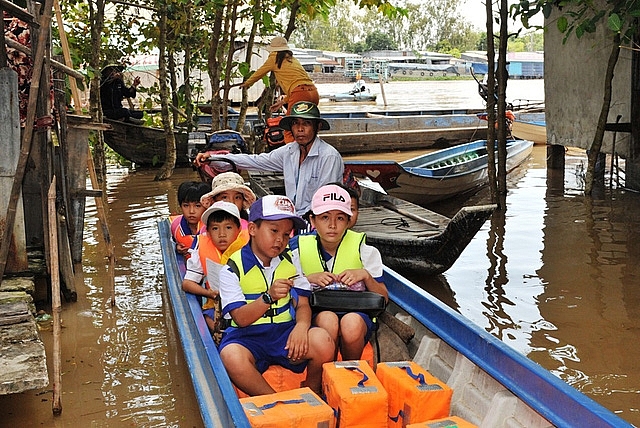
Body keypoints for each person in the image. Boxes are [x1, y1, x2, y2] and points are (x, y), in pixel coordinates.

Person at [217, 195, 335, 396]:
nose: (280, 239)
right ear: (252, 229)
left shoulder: (290, 261)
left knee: (323, 341)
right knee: (230, 356)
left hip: (283, 333)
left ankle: (312, 391)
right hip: (246, 337)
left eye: (286, 234)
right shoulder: (231, 270)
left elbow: (303, 304)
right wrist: (268, 297)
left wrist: (301, 327)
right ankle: (274, 400)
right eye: (273, 231)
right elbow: (240, 318)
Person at [290, 184, 388, 360]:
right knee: (328, 319)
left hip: (357, 311)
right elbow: (286, 288)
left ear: (349, 220)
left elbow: (384, 298)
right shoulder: (297, 249)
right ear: (313, 220)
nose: (332, 225)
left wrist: (365, 275)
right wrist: (308, 279)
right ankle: (329, 367)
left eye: (340, 218)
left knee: (351, 324)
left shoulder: (365, 250)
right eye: (325, 217)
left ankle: (350, 368)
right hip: (315, 311)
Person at [194, 101, 344, 215]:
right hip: (294, 215)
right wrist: (213, 157)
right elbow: (256, 161)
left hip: (319, 218)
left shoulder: (329, 157)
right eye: (296, 124)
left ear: (317, 127)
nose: (300, 129)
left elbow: (325, 200)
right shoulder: (290, 151)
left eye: (306, 124)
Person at [182, 201, 249, 336]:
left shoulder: (249, 247)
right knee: (209, 318)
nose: (222, 234)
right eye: (215, 229)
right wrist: (210, 294)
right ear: (208, 231)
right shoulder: (202, 247)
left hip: (245, 302)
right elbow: (187, 284)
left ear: (238, 229)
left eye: (228, 228)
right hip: (216, 304)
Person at [240, 37, 319, 114]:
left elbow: (260, 73)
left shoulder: (274, 58)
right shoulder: (292, 59)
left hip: (299, 93)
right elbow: (296, 87)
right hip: (313, 92)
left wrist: (247, 83)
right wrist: (282, 102)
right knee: (310, 123)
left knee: (290, 123)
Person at [170, 181, 210, 257]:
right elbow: (172, 243)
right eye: (186, 205)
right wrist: (176, 247)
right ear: (180, 206)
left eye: (197, 206)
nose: (191, 211)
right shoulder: (176, 226)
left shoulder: (213, 227)